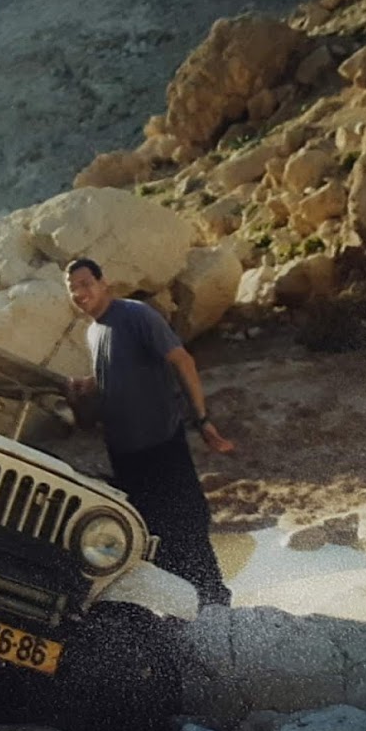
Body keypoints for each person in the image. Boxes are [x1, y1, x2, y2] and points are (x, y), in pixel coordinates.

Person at [63, 258, 234, 607]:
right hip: (127, 461)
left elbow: (182, 361)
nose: (80, 293)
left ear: (104, 283)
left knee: (188, 531)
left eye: (85, 284)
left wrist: (202, 420)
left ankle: (217, 609)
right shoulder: (93, 333)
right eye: (72, 289)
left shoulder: (136, 315)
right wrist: (83, 392)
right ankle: (183, 612)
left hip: (162, 448)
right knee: (152, 541)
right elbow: (105, 397)